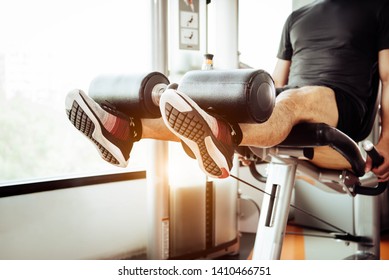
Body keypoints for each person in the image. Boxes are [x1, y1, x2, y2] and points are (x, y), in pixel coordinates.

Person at [65, 0, 389, 182]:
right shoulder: (297, 18)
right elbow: (277, 82)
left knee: (292, 98)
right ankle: (126, 130)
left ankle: (224, 133)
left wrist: (386, 141)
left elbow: (388, 79)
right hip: (292, 97)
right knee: (201, 99)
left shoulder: (378, 9)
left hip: (343, 108)